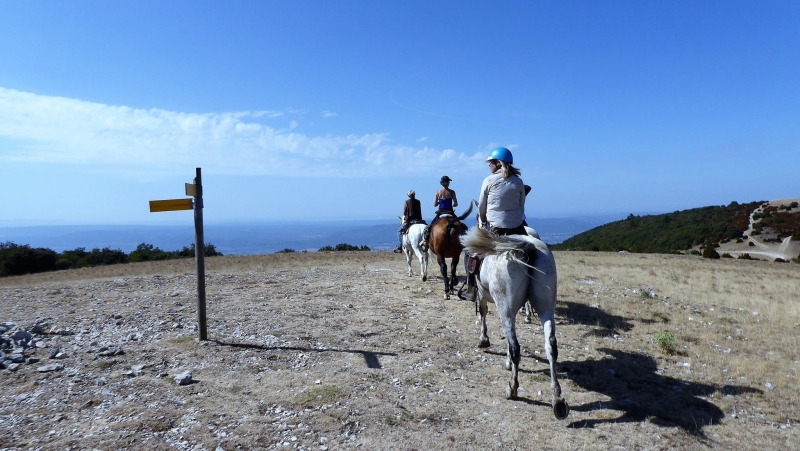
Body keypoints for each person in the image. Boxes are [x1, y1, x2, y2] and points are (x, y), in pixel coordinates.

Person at [478, 147, 527, 236]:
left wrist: (483, 222)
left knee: (470, 248)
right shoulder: (519, 181)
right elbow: (521, 207)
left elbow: (481, 206)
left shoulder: (488, 180)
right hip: (516, 226)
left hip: (494, 227)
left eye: (491, 163)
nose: (489, 165)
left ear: (498, 163)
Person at [423, 176, 459, 242]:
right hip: (450, 212)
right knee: (460, 225)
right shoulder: (452, 192)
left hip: (441, 212)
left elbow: (435, 205)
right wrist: (453, 204)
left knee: (430, 226)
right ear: (447, 183)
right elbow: (456, 204)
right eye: (448, 182)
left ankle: (425, 240)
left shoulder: (438, 192)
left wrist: (439, 202)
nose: (449, 183)